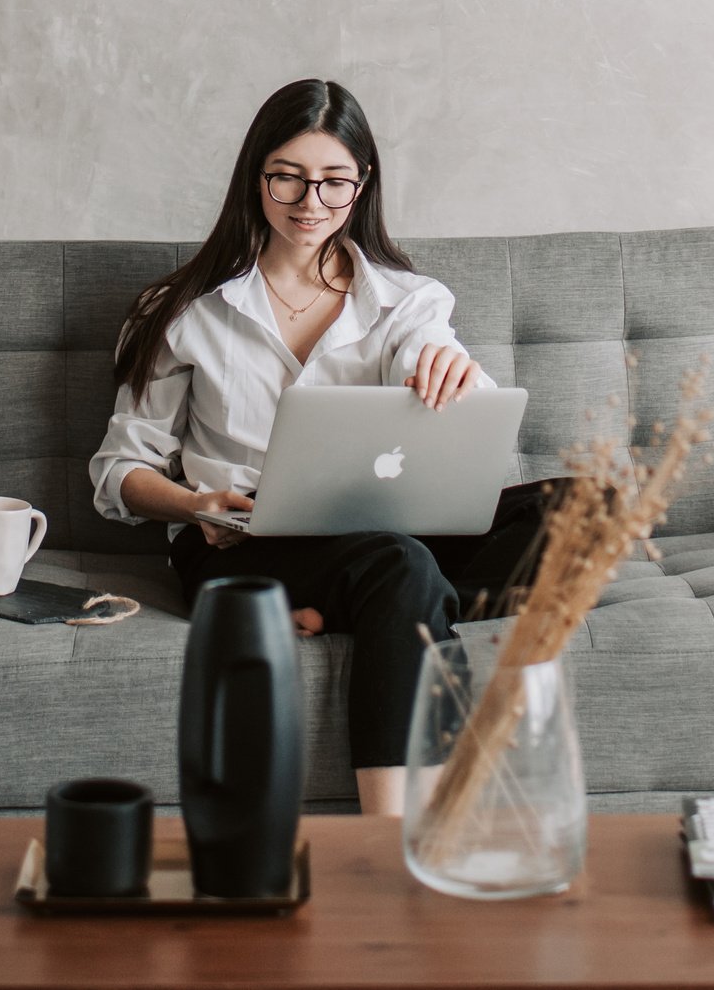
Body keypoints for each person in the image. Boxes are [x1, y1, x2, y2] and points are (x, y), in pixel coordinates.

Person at [89, 77, 548, 816]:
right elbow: (118, 470)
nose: (311, 203)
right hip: (239, 541)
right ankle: (391, 832)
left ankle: (368, 606)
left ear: (362, 185)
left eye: (334, 181)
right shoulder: (182, 309)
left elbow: (432, 355)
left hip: (378, 532)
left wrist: (452, 371)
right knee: (399, 564)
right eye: (288, 177)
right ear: (255, 177)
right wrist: (191, 501)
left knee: (578, 508)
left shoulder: (407, 300)